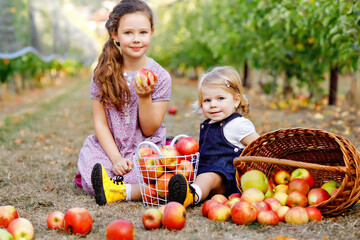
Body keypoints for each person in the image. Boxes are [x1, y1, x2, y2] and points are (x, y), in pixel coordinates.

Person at [76, 0, 171, 206]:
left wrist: (144, 96)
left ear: (151, 33)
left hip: (144, 148)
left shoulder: (160, 76)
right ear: (115, 35)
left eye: (143, 33)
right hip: (109, 147)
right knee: (94, 168)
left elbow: (149, 128)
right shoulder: (103, 73)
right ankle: (123, 185)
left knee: (151, 174)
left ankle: (119, 190)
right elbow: (100, 123)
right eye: (128, 33)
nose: (136, 39)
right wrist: (116, 159)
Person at [168, 66, 259, 207]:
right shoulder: (209, 123)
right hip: (202, 169)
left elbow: (259, 147)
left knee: (208, 178)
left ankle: (191, 195)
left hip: (225, 179)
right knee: (172, 173)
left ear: (236, 100)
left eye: (220, 98)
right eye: (207, 100)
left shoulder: (238, 124)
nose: (213, 105)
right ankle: (127, 190)